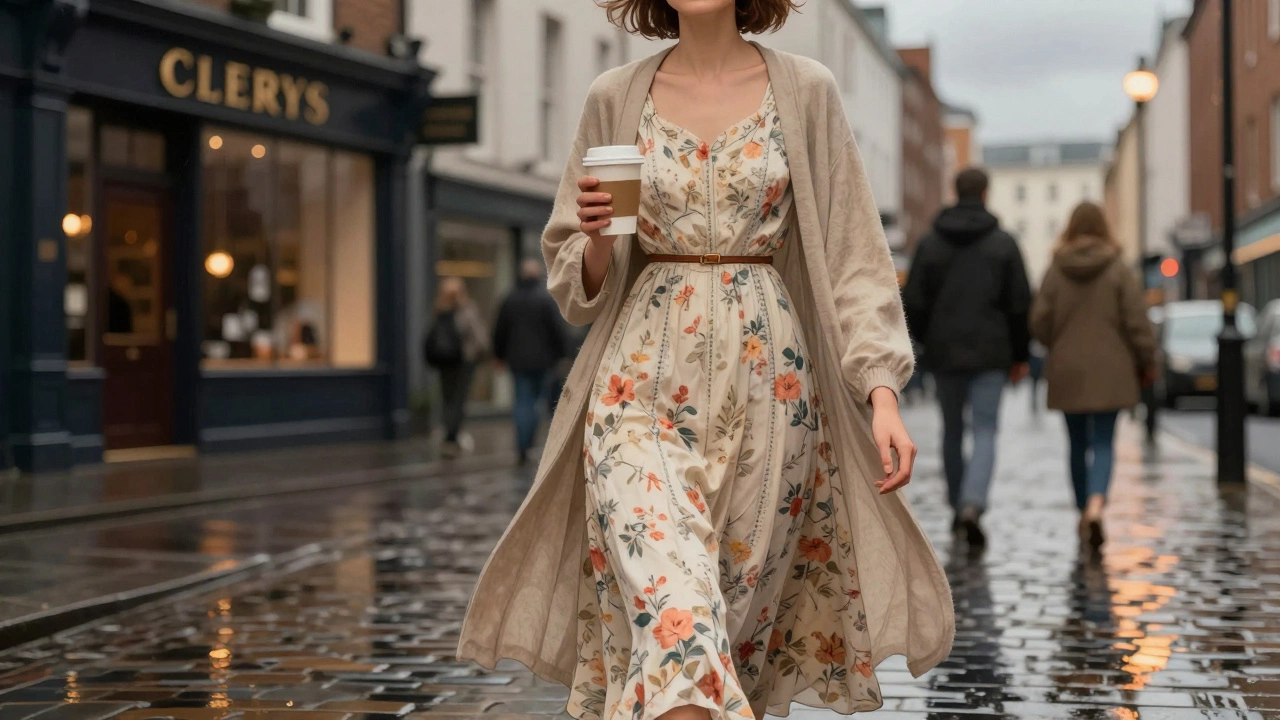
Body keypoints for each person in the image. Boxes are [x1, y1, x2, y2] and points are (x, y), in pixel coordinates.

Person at [459, 2, 955, 719]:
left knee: (733, 645)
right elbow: (575, 283)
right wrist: (596, 240)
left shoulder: (808, 90)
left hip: (771, 393)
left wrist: (880, 391)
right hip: (637, 387)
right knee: (679, 627)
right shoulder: (614, 96)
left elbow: (854, 256)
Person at [902, 167, 1032, 548]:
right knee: (986, 429)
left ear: (955, 192)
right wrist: (1020, 354)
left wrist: (925, 341)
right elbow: (1020, 304)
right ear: (986, 193)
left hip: (944, 353)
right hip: (991, 354)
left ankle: (957, 504)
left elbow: (913, 302)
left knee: (952, 430)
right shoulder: (1004, 244)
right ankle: (973, 503)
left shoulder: (931, 243)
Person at [1031, 202, 1156, 549]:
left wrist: (1058, 342)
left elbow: (1039, 322)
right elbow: (1137, 322)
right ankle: (1097, 504)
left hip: (1068, 369)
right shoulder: (1118, 268)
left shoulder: (1056, 269)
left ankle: (1082, 509)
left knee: (1076, 443)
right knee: (1103, 441)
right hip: (1111, 369)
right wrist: (1147, 360)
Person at [492, 258, 569, 466]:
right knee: (537, 402)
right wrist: (561, 355)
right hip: (543, 361)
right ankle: (528, 443)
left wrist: (498, 356)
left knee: (522, 401)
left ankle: (522, 446)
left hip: (516, 360)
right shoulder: (545, 299)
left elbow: (499, 330)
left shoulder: (509, 299)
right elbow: (558, 331)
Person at [423, 277, 489, 459]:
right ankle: (451, 438)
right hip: (463, 362)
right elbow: (480, 338)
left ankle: (448, 435)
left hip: (443, 362)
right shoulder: (467, 309)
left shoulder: (439, 309)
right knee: (458, 401)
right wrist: (478, 353)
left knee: (447, 399)